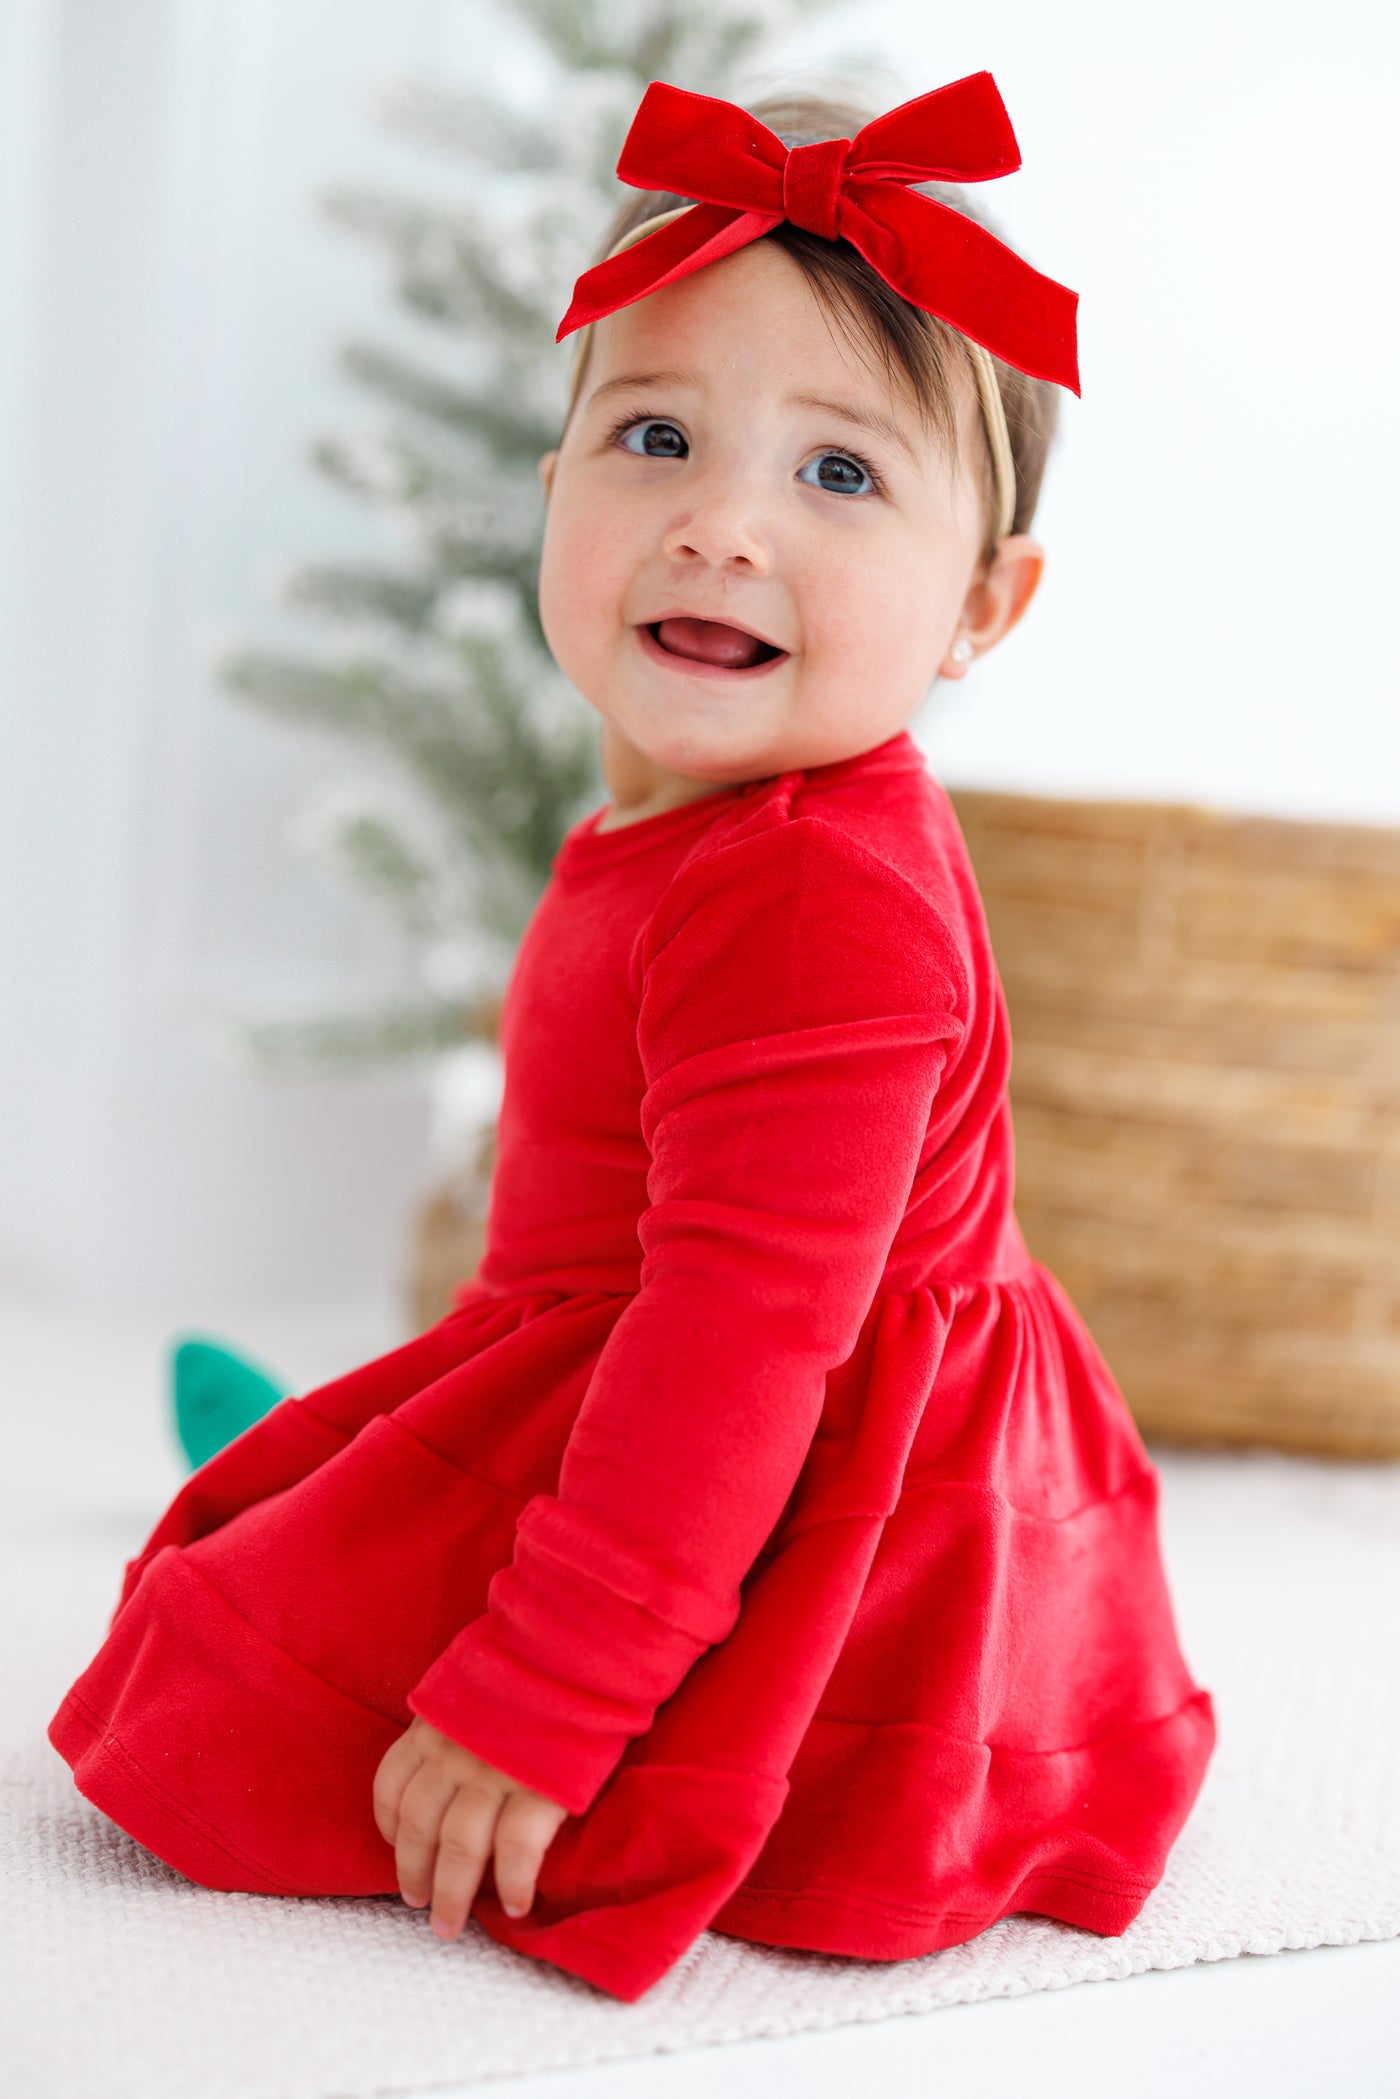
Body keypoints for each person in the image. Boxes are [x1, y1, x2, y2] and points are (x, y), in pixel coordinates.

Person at [47, 72, 1215, 2003]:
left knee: (196, 1723)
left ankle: (396, 1566)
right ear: (555, 493)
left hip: (798, 1493)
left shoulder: (822, 906)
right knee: (285, 1553)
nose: (721, 528)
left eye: (841, 474)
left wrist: (543, 1697)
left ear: (982, 606)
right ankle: (359, 1499)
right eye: (655, 437)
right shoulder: (710, 816)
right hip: (656, 1373)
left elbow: (740, 1358)